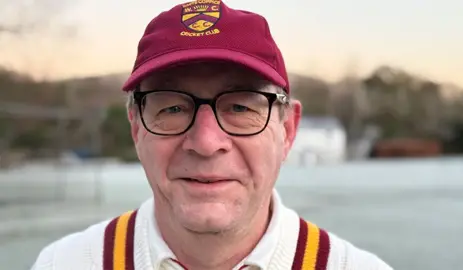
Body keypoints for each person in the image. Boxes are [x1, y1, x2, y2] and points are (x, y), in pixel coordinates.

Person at [31, 1, 394, 269]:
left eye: (240, 108)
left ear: (287, 130)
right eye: (172, 108)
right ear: (136, 127)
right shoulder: (65, 263)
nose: (206, 143)